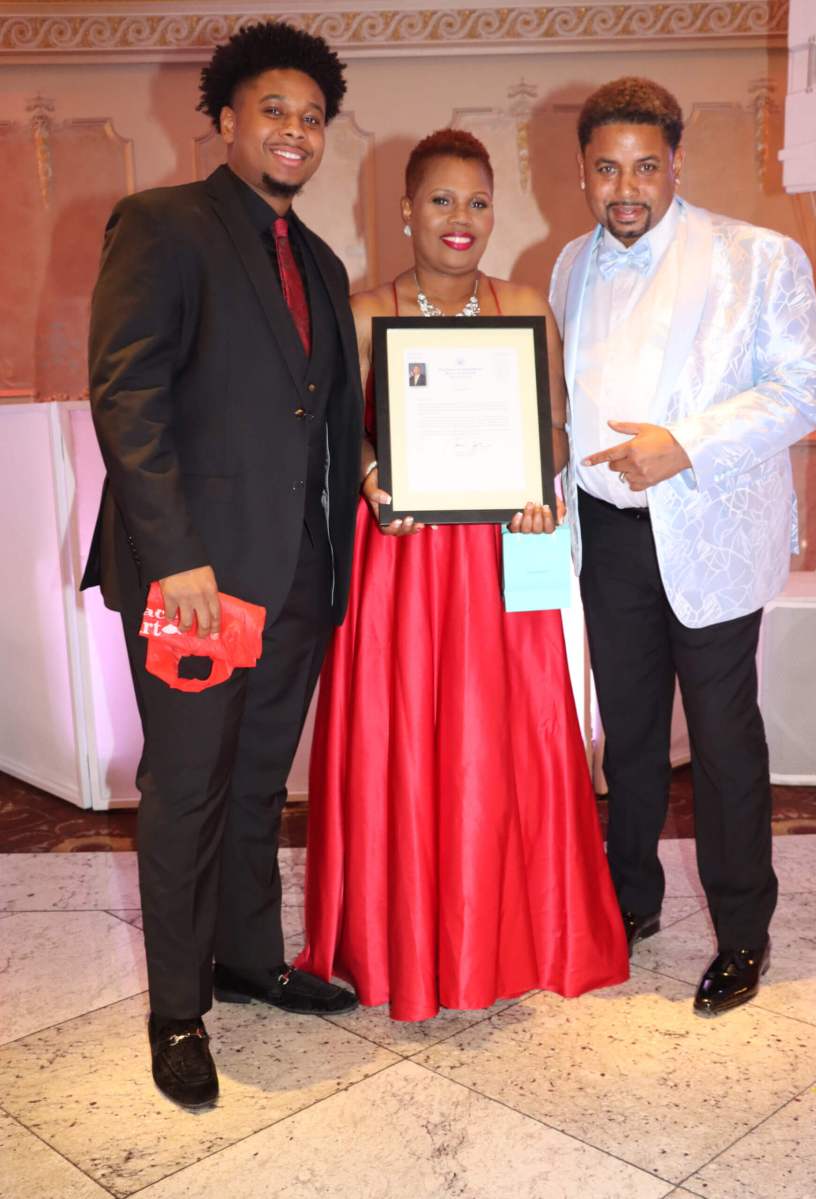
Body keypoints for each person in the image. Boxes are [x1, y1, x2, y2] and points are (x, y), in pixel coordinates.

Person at [81, 22, 363, 1108]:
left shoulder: (322, 263)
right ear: (226, 122)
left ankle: (249, 958)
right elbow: (130, 398)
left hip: (294, 577)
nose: (295, 131)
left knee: (255, 782)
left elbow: (324, 421)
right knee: (187, 787)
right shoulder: (163, 225)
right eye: (274, 111)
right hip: (195, 578)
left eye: (312, 116)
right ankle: (176, 1008)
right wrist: (178, 559)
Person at [295, 129, 629, 1022]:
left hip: (501, 548)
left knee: (502, 740)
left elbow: (553, 427)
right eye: (441, 200)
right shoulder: (364, 313)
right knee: (400, 737)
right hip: (398, 554)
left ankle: (518, 936)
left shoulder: (526, 305)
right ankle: (393, 939)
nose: (461, 220)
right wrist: (371, 477)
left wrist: (541, 488)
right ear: (406, 210)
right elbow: (343, 435)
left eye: (478, 202)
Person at [550, 78, 816, 1016]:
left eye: (645, 166)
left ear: (676, 162)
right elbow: (562, 405)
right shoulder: (565, 268)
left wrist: (686, 444)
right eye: (606, 168)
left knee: (721, 743)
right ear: (582, 172)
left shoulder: (762, 258)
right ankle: (631, 905)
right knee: (627, 742)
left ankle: (744, 933)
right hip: (606, 538)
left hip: (709, 531)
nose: (625, 187)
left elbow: (803, 391)